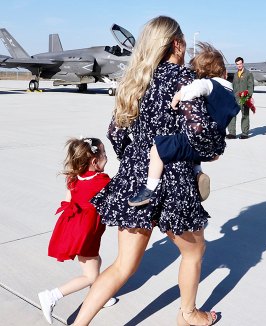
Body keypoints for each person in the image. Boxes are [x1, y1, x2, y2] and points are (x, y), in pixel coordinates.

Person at [73, 16, 217, 326]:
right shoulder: (183, 79)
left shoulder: (136, 79)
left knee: (123, 266)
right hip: (176, 179)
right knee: (194, 251)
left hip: (138, 178)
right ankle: (188, 314)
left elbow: (115, 133)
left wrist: (135, 161)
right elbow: (202, 132)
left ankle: (78, 324)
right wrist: (211, 149)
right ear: (176, 44)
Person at [127, 42, 240, 207]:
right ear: (224, 72)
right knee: (194, 153)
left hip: (195, 138)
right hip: (214, 142)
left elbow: (195, 88)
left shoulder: (208, 84)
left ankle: (149, 188)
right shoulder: (229, 92)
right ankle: (198, 173)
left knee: (157, 148)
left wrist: (178, 96)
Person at [38, 137, 116, 325]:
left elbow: (69, 199)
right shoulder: (101, 181)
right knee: (89, 275)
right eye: (105, 155)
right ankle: (52, 296)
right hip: (86, 233)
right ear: (94, 162)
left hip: (76, 228)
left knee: (96, 261)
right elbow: (118, 194)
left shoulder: (74, 177)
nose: (108, 158)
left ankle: (98, 296)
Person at [226, 56, 254, 139]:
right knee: (232, 114)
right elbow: (234, 86)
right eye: (237, 64)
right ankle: (232, 133)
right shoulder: (235, 74)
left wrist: (248, 97)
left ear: (243, 63)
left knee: (245, 115)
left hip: (244, 97)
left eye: (240, 64)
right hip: (235, 97)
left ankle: (245, 133)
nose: (239, 65)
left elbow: (250, 86)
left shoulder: (248, 74)